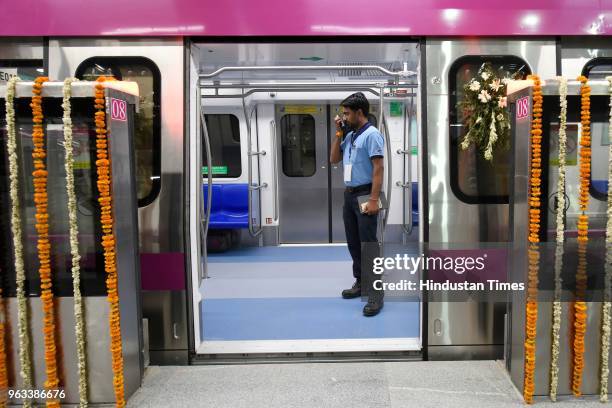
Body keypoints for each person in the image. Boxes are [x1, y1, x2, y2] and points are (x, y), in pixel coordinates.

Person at [330, 92, 384, 316]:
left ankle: (375, 293)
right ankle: (361, 282)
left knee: (368, 244)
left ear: (359, 112)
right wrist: (339, 132)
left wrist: (373, 199)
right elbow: (334, 159)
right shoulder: (350, 135)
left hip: (365, 194)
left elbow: (378, 169)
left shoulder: (372, 135)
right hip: (349, 195)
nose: (343, 116)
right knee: (353, 242)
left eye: (347, 113)